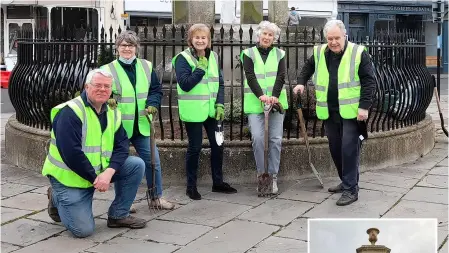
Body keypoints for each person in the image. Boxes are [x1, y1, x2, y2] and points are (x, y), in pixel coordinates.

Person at [42, 69, 147, 238]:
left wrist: (109, 172)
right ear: (86, 87)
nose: (103, 89)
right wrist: (95, 179)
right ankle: (56, 196)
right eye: (97, 85)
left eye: (107, 86)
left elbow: (122, 146)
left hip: (98, 173)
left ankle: (118, 215)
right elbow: (71, 154)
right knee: (83, 231)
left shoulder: (112, 112)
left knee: (136, 165)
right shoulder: (70, 112)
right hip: (69, 177)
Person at [293, 19, 375, 206]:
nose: (333, 42)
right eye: (330, 38)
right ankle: (346, 180)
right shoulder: (320, 52)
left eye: (337, 38)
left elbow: (369, 81)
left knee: (348, 149)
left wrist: (364, 107)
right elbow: (307, 67)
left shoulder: (358, 53)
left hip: (352, 111)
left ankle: (350, 189)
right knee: (335, 149)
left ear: (344, 36)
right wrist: (300, 82)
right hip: (329, 111)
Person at [101, 30, 174, 210]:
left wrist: (153, 103)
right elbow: (100, 92)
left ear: (136, 48)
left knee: (153, 162)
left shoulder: (146, 67)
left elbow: (156, 90)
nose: (127, 49)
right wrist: (107, 99)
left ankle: (156, 197)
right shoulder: (107, 70)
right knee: (121, 164)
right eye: (123, 45)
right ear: (117, 48)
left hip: (142, 124)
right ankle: (124, 200)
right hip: (120, 126)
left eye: (131, 45)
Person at [172, 23, 237, 200]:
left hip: (213, 111)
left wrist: (220, 104)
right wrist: (200, 68)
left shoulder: (214, 56)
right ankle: (191, 186)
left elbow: (220, 83)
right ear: (190, 40)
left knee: (218, 145)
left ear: (209, 40)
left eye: (204, 37)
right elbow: (185, 84)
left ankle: (218, 182)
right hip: (193, 111)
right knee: (195, 147)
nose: (200, 40)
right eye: (197, 37)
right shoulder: (182, 58)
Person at [240, 21, 289, 195]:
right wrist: (261, 95)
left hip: (276, 104)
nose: (267, 37)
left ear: (274, 38)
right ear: (258, 35)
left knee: (275, 140)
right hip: (256, 103)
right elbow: (250, 76)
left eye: (271, 35)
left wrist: (274, 96)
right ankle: (263, 174)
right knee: (258, 138)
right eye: (264, 34)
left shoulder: (280, 54)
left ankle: (273, 177)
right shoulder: (248, 54)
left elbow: (281, 76)